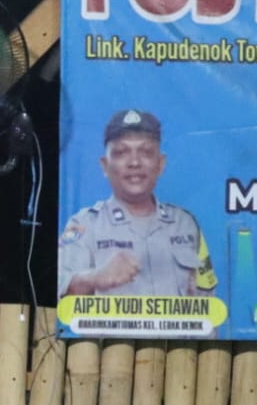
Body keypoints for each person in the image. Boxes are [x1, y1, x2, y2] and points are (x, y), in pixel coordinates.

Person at [57, 109, 216, 298]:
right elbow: (57, 286)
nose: (134, 162)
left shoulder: (186, 225)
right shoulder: (86, 225)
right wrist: (95, 278)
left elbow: (208, 303)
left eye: (146, 152)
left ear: (161, 164)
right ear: (105, 165)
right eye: (121, 152)